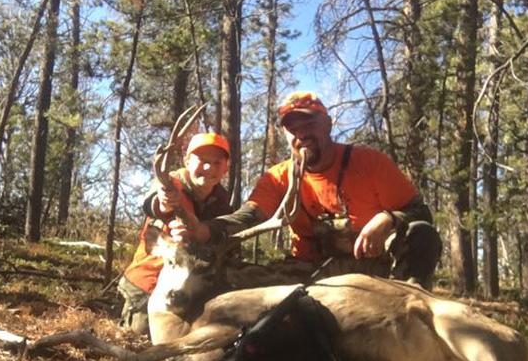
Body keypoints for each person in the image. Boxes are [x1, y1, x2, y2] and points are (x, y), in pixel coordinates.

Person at [178, 91, 442, 286]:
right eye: (292, 127)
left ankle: (413, 307)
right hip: (312, 271)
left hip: (377, 270)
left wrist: (388, 218)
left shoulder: (369, 163)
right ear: (285, 135)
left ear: (327, 124)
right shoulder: (278, 177)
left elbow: (420, 212)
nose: (301, 133)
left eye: (309, 124)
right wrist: (204, 230)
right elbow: (248, 217)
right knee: (231, 278)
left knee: (421, 234)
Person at [118, 132, 232, 334]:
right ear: (187, 160)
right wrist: (163, 201)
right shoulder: (173, 184)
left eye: (217, 163)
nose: (209, 168)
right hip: (151, 279)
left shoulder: (222, 202)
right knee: (143, 332)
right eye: (203, 161)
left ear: (226, 167)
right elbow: (156, 203)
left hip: (195, 282)